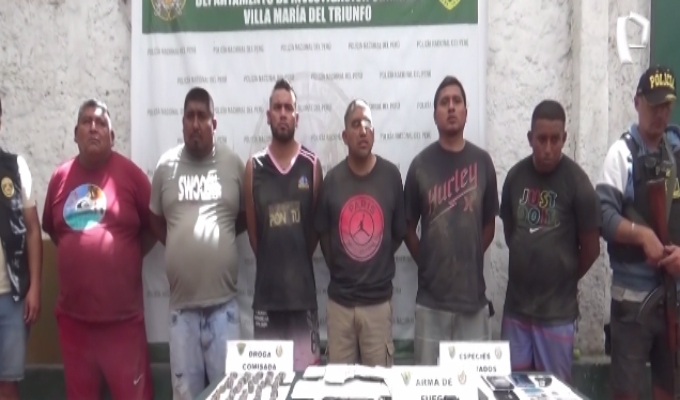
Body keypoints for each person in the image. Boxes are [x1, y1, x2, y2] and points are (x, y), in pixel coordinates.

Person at [42, 99, 155, 400]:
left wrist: (124, 256)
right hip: (74, 324)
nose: (94, 128)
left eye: (101, 123)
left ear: (112, 136)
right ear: (75, 133)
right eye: (87, 122)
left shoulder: (131, 176)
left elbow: (153, 228)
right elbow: (54, 230)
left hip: (123, 324)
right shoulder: (60, 177)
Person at [149, 87, 246, 400]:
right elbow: (155, 221)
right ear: (182, 123)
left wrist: (220, 241)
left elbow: (244, 218)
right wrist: (182, 243)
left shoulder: (233, 164)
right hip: (182, 312)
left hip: (224, 309)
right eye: (189, 116)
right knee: (185, 396)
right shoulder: (166, 167)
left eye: (202, 116)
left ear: (213, 123)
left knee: (228, 395)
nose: (195, 124)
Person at [499, 100, 601, 383]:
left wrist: (563, 275)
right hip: (516, 312)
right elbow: (511, 232)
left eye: (555, 140)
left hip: (557, 315)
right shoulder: (515, 177)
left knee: (554, 391)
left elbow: (591, 249)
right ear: (530, 138)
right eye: (541, 139)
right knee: (513, 389)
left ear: (564, 138)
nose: (547, 148)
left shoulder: (578, 184)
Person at [404, 75, 499, 365]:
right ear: (435, 114)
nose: (451, 107)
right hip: (431, 303)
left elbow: (489, 225)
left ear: (466, 112)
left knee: (476, 385)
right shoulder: (420, 165)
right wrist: (428, 260)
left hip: (473, 301)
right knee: (428, 385)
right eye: (444, 102)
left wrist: (469, 255)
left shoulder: (482, 162)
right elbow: (407, 228)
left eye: (457, 101)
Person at [596, 66, 678, 400]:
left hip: (674, 298)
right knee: (626, 393)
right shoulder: (621, 155)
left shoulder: (677, 153)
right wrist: (641, 236)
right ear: (637, 102)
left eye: (666, 106)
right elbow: (602, 217)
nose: (660, 113)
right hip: (632, 301)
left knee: (669, 391)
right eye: (653, 104)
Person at [314, 100, 406, 367]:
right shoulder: (332, 181)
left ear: (374, 133)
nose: (363, 130)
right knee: (338, 385)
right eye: (355, 124)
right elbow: (324, 237)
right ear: (345, 136)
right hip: (340, 306)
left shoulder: (391, 176)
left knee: (378, 385)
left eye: (367, 124)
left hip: (378, 306)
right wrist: (345, 264)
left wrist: (375, 255)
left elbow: (397, 234)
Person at [243, 79, 322, 371]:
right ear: (268, 116)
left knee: (306, 384)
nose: (283, 113)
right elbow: (255, 236)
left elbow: (313, 233)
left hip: (302, 298)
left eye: (289, 108)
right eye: (277, 108)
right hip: (267, 299)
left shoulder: (311, 165)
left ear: (297, 117)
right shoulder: (254, 166)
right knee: (269, 384)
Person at [0, 97, 42, 400]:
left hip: (11, 298)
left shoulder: (15, 168)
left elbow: (33, 229)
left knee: (8, 383)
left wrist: (35, 287)